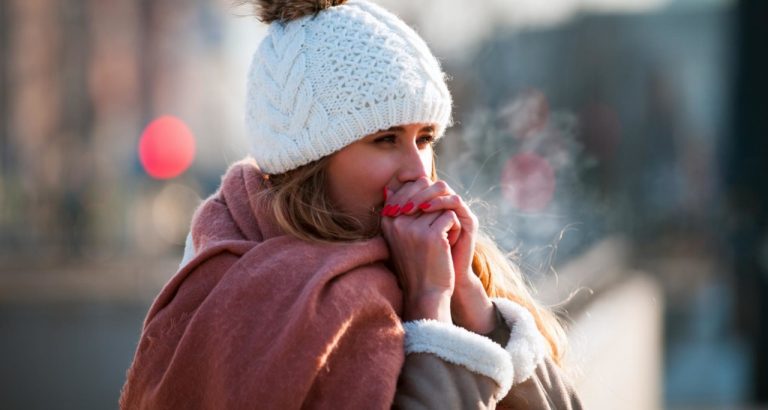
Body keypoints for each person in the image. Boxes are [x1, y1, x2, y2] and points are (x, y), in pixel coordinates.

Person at [120, 0, 583, 408]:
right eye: (385, 139)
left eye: (424, 138)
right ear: (310, 164)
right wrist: (430, 308)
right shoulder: (241, 292)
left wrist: (471, 302)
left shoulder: (446, 262)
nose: (419, 172)